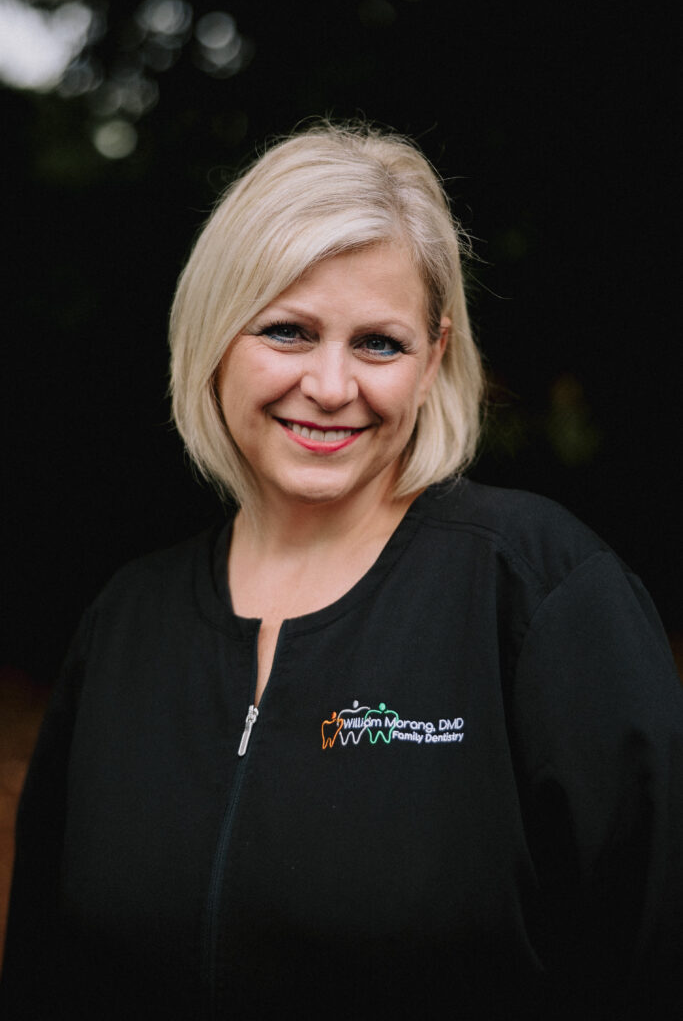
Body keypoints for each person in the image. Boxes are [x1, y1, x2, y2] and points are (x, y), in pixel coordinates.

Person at [2, 122, 682, 1020]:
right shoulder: (128, 620)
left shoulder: (538, 589)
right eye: (287, 331)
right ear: (213, 337)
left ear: (434, 357)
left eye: (378, 344)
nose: (329, 385)